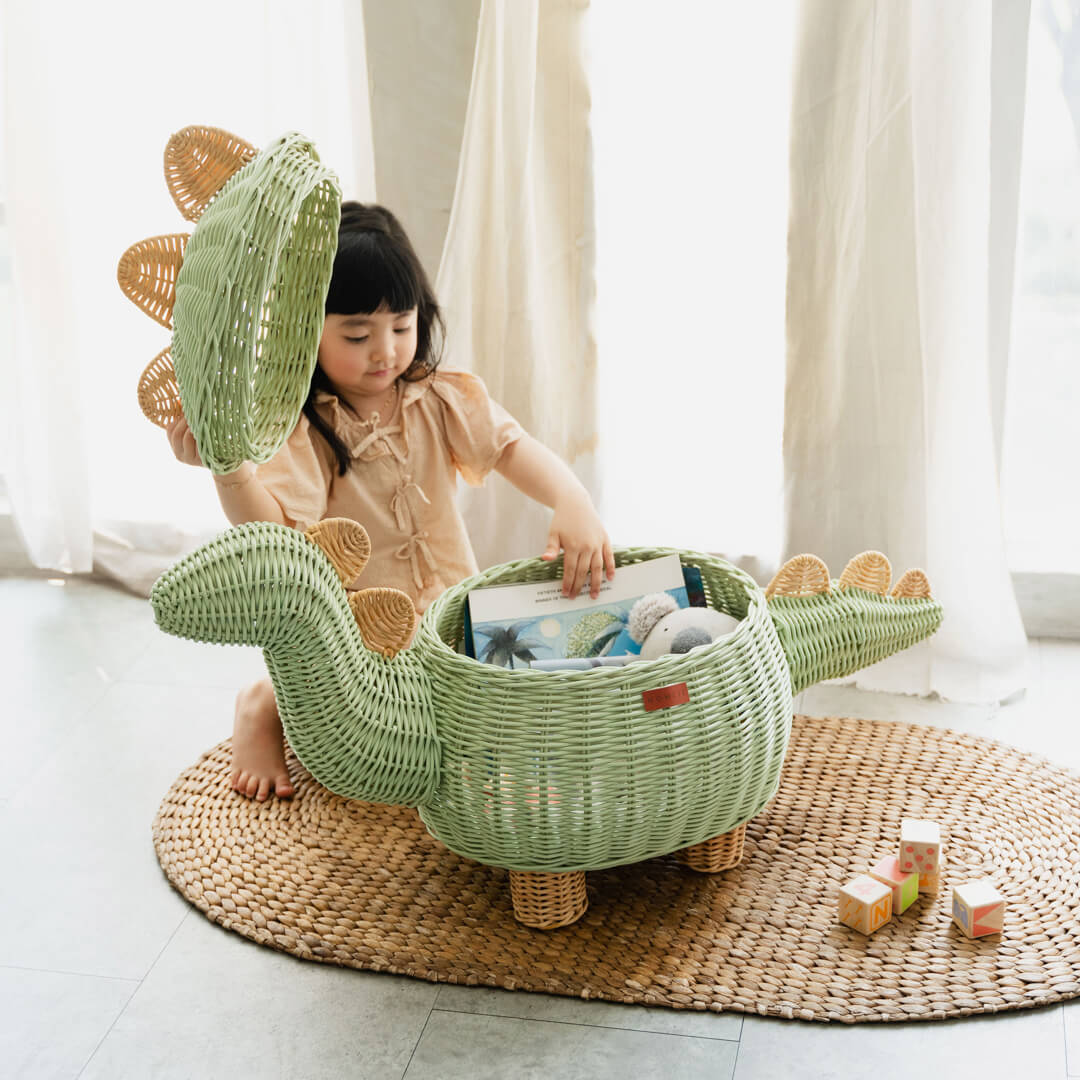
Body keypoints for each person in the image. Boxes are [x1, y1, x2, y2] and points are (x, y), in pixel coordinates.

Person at [166, 202, 615, 802]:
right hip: (360, 630)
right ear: (307, 332)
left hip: (451, 606)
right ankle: (263, 703)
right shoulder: (303, 427)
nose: (386, 352)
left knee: (496, 707)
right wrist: (230, 468)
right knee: (372, 730)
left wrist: (572, 498)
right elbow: (274, 532)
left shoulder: (436, 396)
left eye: (402, 327)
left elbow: (510, 447)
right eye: (357, 334)